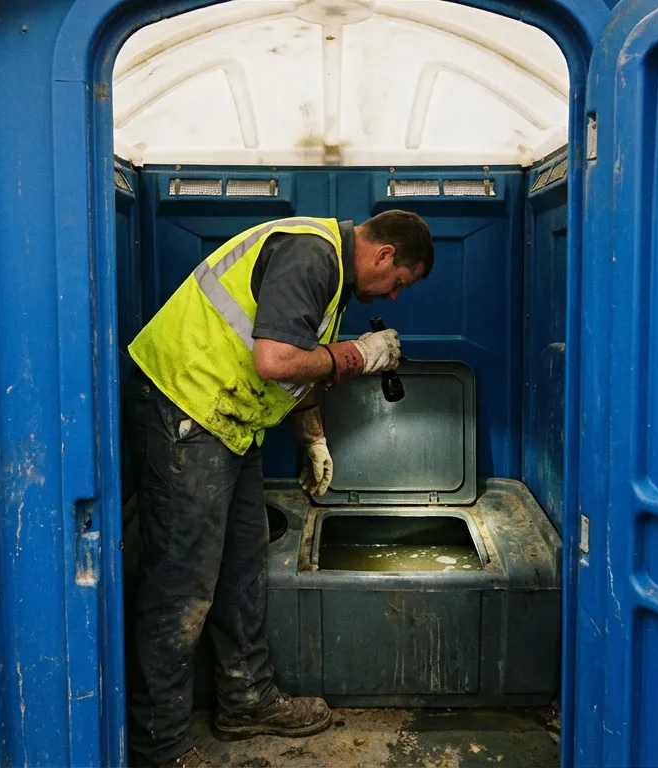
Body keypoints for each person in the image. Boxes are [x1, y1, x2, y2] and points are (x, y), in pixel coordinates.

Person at [124, 211, 434, 768]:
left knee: (242, 565)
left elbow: (299, 365)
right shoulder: (312, 254)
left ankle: (245, 700)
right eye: (400, 282)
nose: (395, 293)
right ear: (384, 255)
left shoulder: (333, 278)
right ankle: (161, 746)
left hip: (231, 423)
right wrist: (357, 356)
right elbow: (275, 359)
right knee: (181, 587)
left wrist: (312, 438)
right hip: (186, 407)